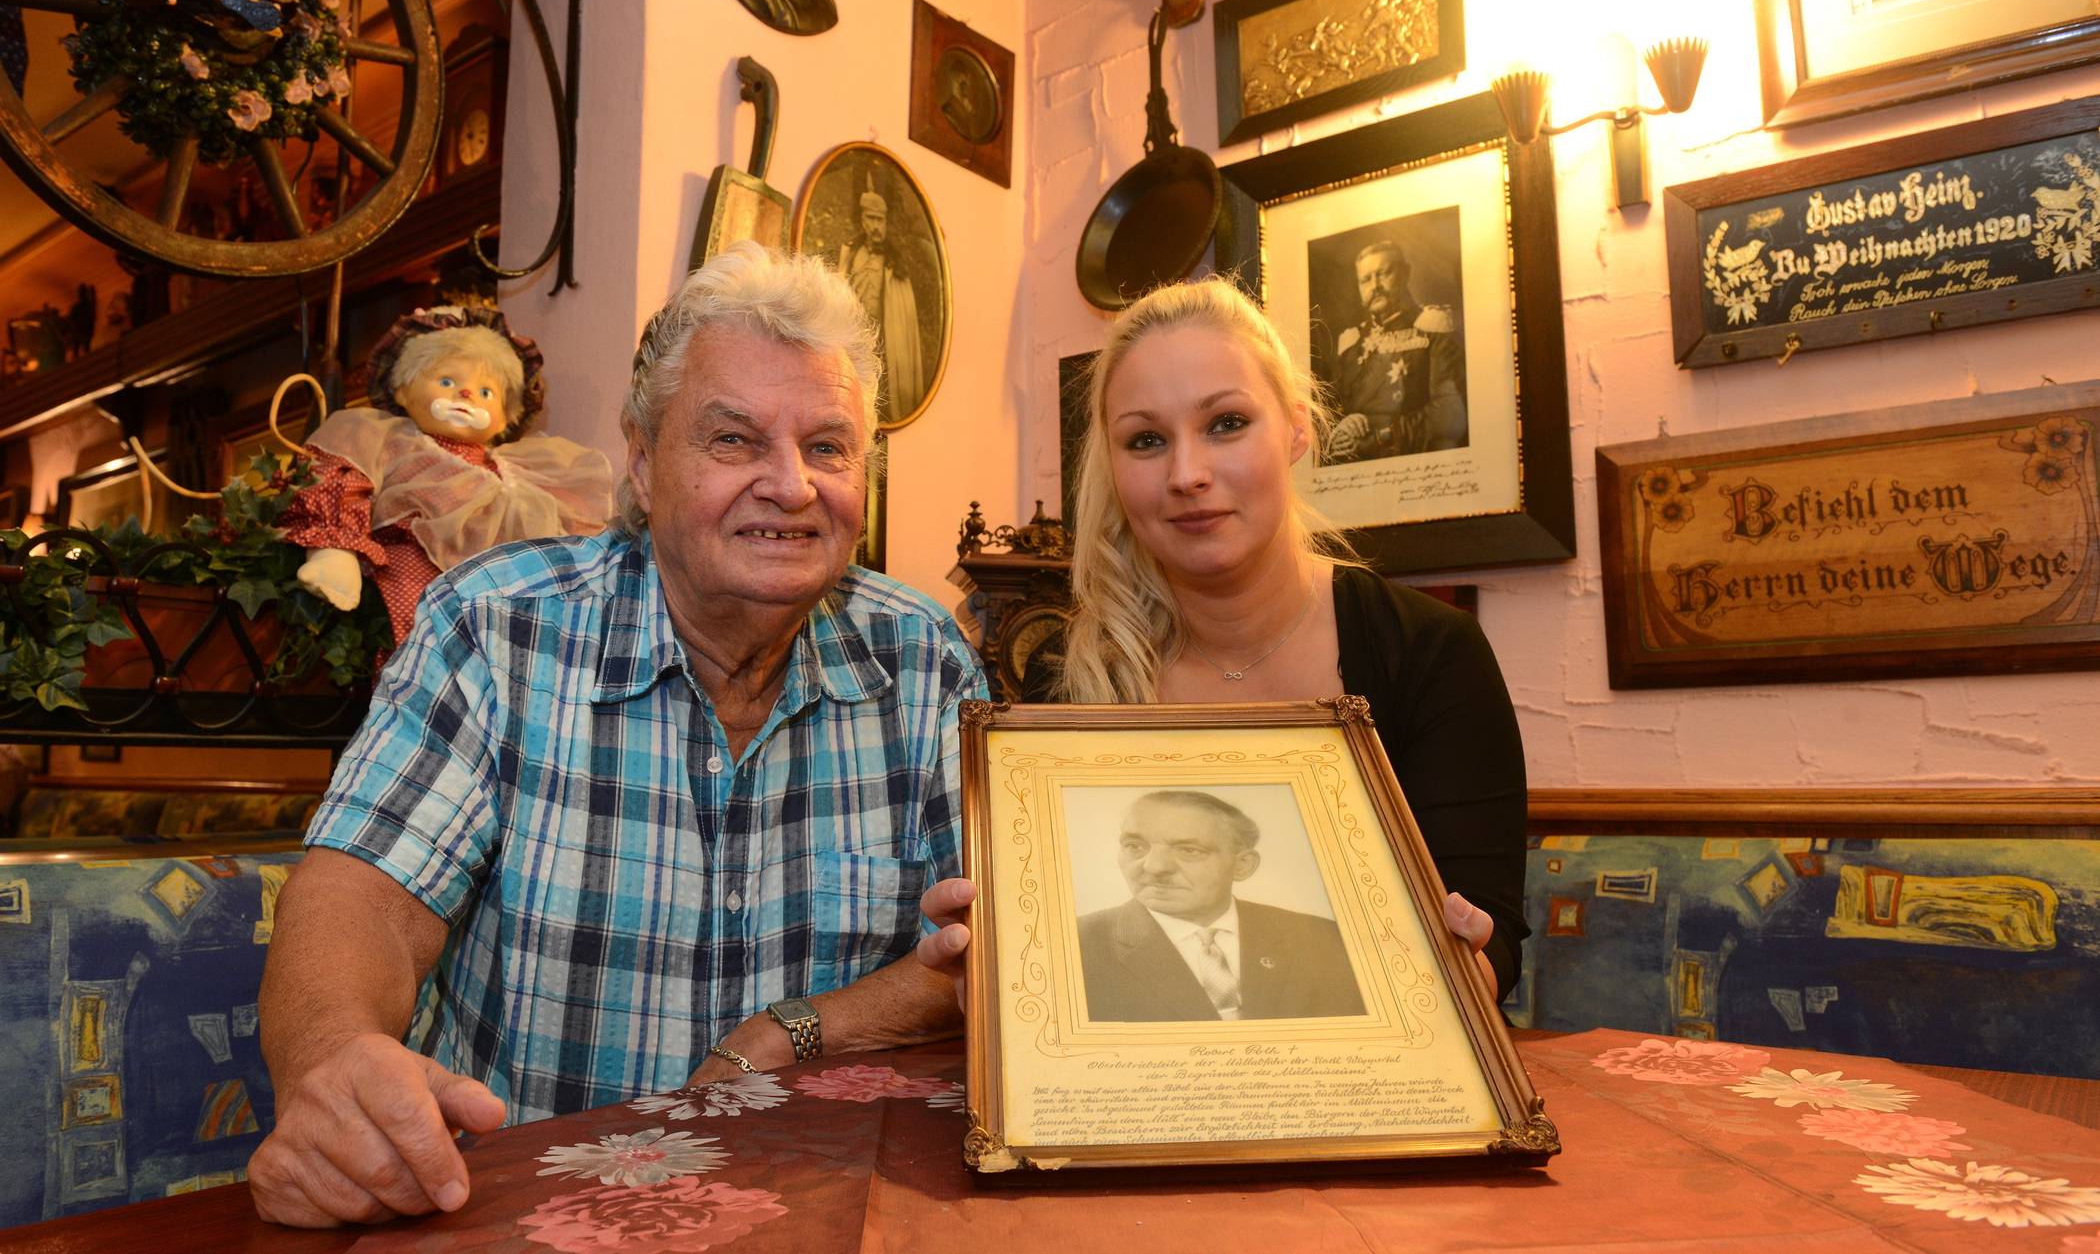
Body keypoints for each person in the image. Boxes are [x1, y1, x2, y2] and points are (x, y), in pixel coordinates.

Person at [249, 244, 984, 1228]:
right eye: (734, 440)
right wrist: (335, 1057)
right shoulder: (496, 626)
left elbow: (987, 949)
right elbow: (365, 896)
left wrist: (797, 1029)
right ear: (641, 460)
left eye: (828, 446)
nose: (791, 484)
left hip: (827, 1209)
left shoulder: (923, 657)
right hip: (521, 1212)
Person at [921, 276, 1526, 1009]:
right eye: (1146, 440)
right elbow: (1063, 966)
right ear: (1111, 464)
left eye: (1226, 423)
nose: (1187, 474)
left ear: (1296, 430)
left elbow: (1492, 947)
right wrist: (998, 981)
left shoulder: (1432, 653)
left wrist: (1467, 970)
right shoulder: (1068, 680)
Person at [280, 305, 614, 648]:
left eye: (486, 392)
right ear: (402, 390)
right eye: (446, 381)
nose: (466, 394)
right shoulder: (389, 438)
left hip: (501, 605)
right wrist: (335, 549)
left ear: (506, 416)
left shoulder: (524, 470)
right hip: (416, 571)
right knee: (425, 643)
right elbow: (344, 477)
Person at [1078, 789, 1364, 1023]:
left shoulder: (1325, 939)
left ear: (1243, 865)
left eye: (1189, 850)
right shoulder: (1075, 947)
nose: (1154, 867)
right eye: (1134, 846)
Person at [1323, 240, 1466, 465]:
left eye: (1384, 274)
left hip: (1418, 464)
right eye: (1365, 280)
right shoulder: (1351, 343)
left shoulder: (1432, 328)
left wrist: (1381, 438)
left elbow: (1449, 414)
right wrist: (1342, 424)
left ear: (1405, 273)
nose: (1375, 286)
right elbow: (1331, 409)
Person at [837, 186, 926, 423]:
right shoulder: (850, 255)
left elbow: (903, 315)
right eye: (871, 219)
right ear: (862, 220)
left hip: (887, 346)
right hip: (855, 344)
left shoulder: (896, 265)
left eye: (880, 220)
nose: (876, 226)